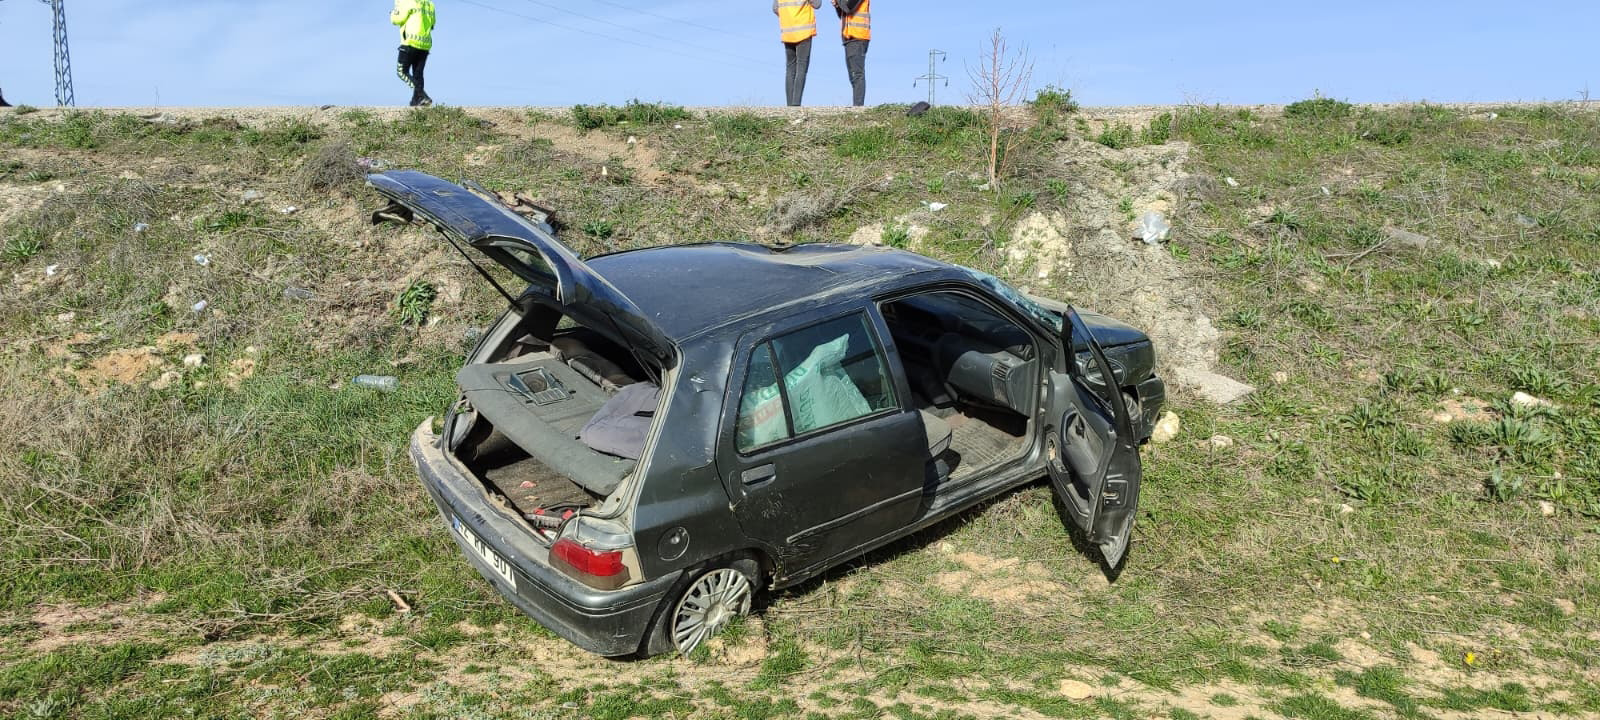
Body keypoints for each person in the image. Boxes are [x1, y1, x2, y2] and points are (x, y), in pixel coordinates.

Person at [774, 0, 821, 106]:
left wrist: (789, 18)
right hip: (804, 32)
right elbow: (817, 4)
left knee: (790, 69)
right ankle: (796, 104)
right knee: (801, 68)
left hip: (788, 32)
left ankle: (790, 105)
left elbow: (775, 8)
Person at [391, 0, 437, 107]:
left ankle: (422, 96)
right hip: (425, 44)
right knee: (418, 74)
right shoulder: (430, 4)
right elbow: (432, 24)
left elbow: (396, 19)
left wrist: (394, 11)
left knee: (402, 72)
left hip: (410, 42)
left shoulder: (407, 1)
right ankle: (416, 102)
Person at [833, 0, 870, 106]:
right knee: (852, 75)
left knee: (857, 74)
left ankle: (858, 107)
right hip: (849, 37)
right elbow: (843, 14)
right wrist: (837, 6)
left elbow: (848, 7)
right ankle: (857, 106)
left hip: (858, 36)